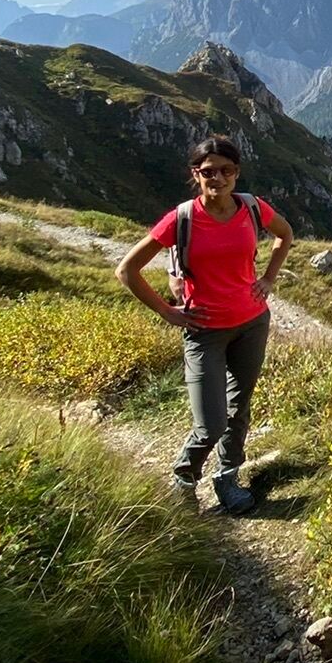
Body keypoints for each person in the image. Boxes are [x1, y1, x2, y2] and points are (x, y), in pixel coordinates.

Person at [116, 135, 294, 515]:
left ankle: (227, 479)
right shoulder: (181, 218)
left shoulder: (252, 207)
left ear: (237, 172)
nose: (218, 178)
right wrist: (166, 311)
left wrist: (268, 279)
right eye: (209, 171)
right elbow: (127, 270)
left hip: (252, 323)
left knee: (238, 409)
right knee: (211, 423)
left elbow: (285, 234)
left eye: (226, 170)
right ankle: (184, 477)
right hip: (204, 332)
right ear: (195, 174)